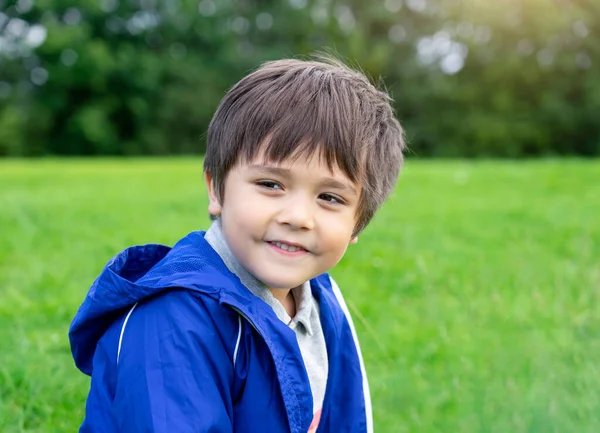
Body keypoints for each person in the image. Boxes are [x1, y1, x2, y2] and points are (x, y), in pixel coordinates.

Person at [69, 56, 406, 433]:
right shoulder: (172, 322)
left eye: (330, 197)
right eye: (271, 184)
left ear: (357, 223)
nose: (297, 217)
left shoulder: (320, 296)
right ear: (216, 189)